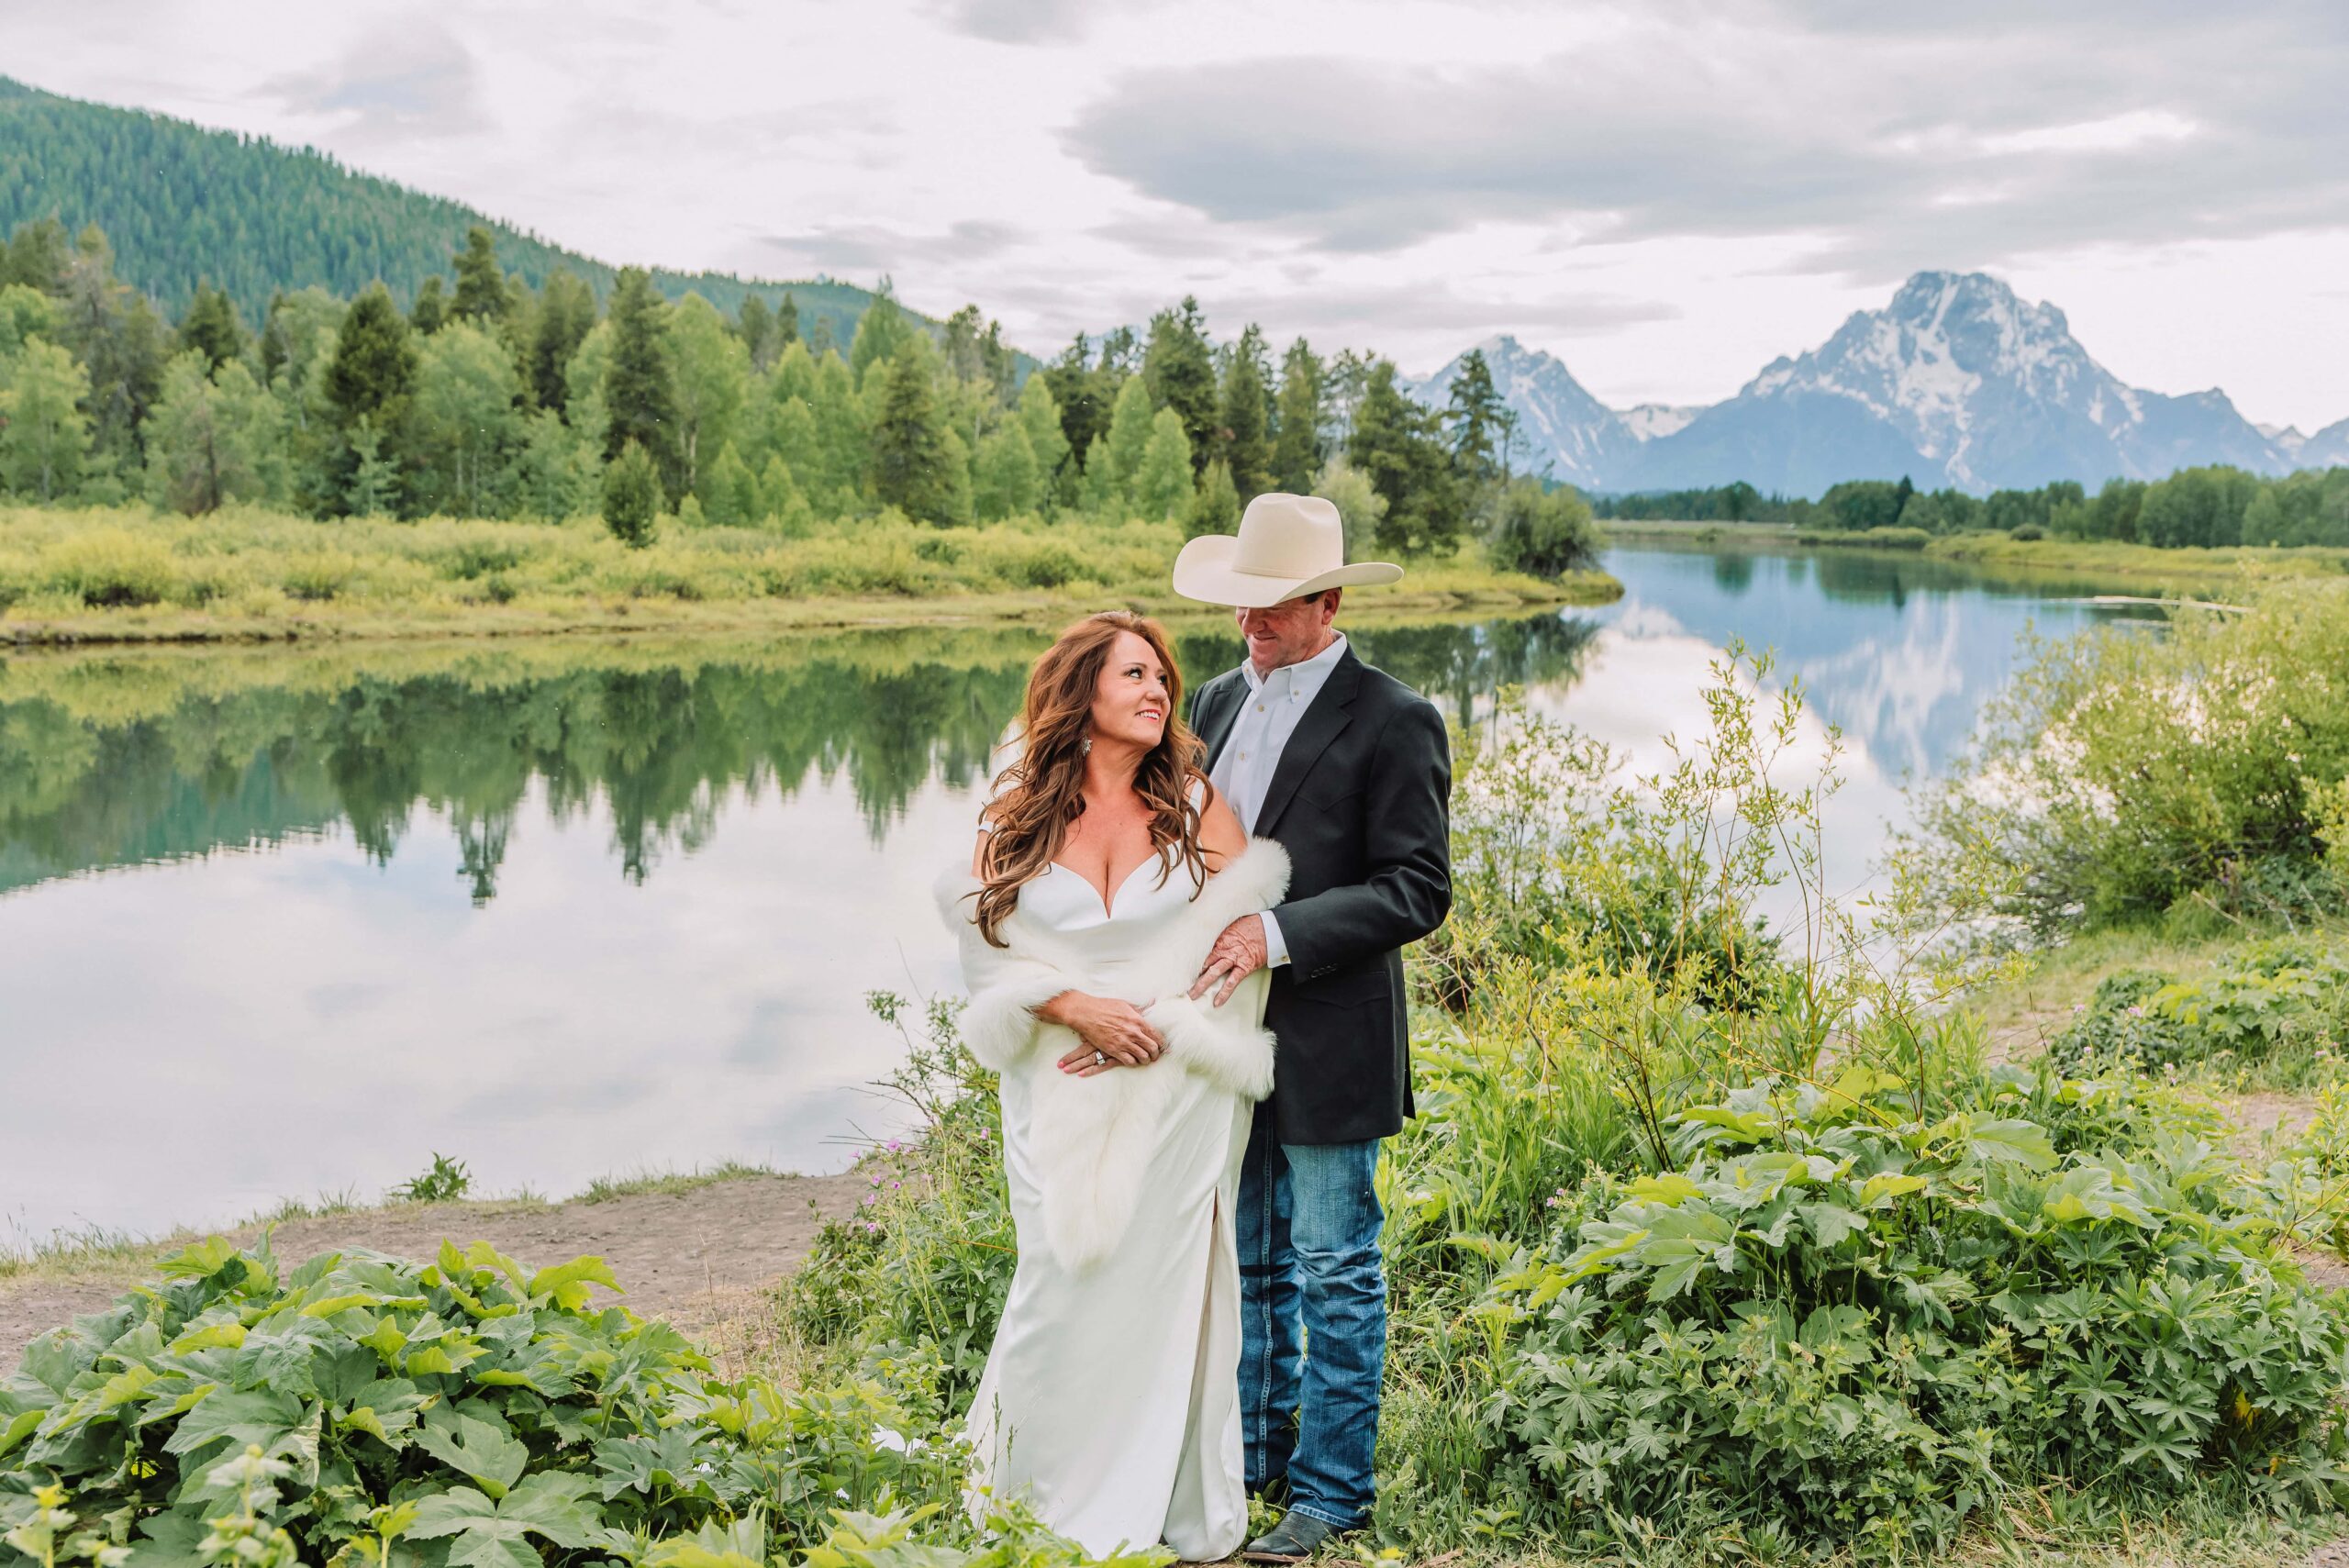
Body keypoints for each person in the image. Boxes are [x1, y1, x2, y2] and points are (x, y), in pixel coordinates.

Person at [935, 610, 1291, 1561]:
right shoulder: (1016, 808)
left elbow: (1235, 946)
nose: (1157, 691)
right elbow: (981, 949)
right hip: (1055, 1076)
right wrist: (1070, 1003)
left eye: (1163, 678)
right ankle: (1032, 1488)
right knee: (1059, 1271)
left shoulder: (1193, 800)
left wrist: (1166, 1023)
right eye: (1134, 673)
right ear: (1080, 690)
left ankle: (1156, 1495)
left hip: (1175, 1089)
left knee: (1158, 1286)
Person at [1171, 493, 1453, 1562]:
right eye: (1244, 604)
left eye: (1277, 606)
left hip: (1332, 1035)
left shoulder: (1395, 716)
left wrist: (1273, 934)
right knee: (1246, 1257)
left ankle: (1332, 1496)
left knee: (1336, 1264)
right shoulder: (1212, 699)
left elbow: (1417, 888)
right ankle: (1252, 1459)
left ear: (1329, 601)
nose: (1254, 623)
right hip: (1221, 1037)